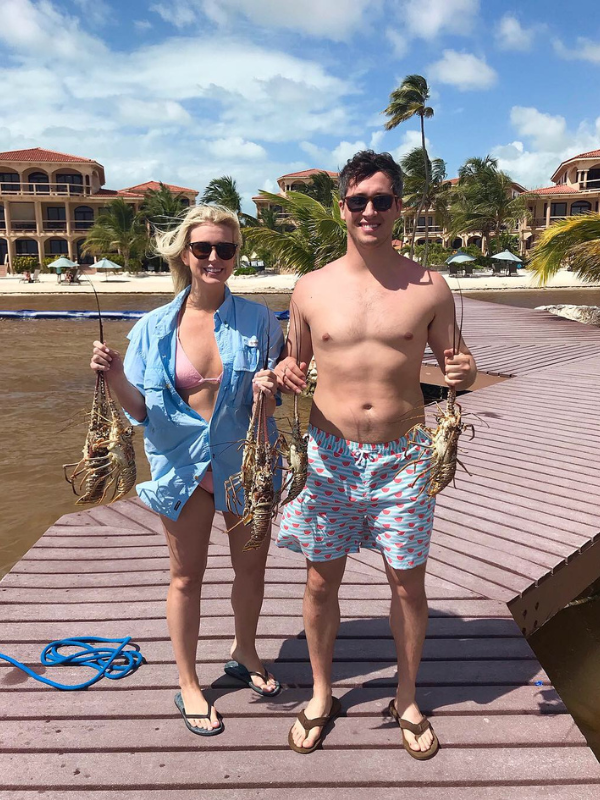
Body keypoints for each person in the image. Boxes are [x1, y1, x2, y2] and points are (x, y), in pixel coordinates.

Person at [275, 151, 477, 758]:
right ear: (343, 207)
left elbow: (456, 367)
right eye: (358, 200)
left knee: (408, 586)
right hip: (328, 455)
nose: (370, 210)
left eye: (381, 199)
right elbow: (297, 362)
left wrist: (464, 373)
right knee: (318, 583)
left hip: (405, 456)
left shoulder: (431, 286)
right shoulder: (310, 289)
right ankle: (320, 692)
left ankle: (408, 696)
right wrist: (285, 370)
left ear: (397, 207)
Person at [90, 204, 284, 736]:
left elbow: (274, 397)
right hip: (181, 466)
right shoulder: (152, 327)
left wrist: (271, 388)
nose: (215, 258)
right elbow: (139, 408)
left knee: (251, 570)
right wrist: (110, 377)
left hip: (245, 462)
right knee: (186, 576)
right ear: (185, 254)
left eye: (226, 248)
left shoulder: (261, 320)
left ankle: (244, 651)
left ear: (237, 254)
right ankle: (189, 683)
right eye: (204, 248)